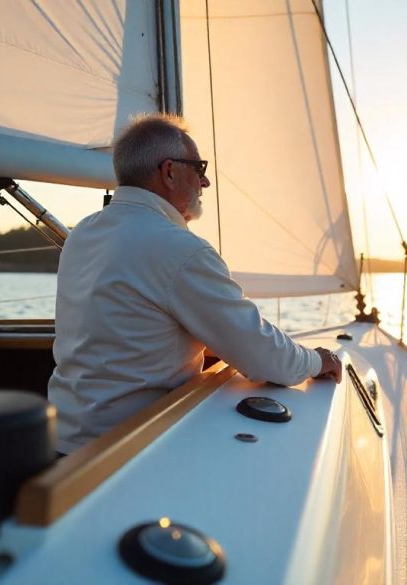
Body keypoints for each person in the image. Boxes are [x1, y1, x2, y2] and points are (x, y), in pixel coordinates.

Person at [48, 113, 342, 454]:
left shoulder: (84, 231)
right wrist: (317, 361)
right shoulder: (179, 249)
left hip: (64, 442)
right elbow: (260, 355)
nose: (205, 183)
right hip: (129, 450)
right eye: (199, 169)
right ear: (169, 172)